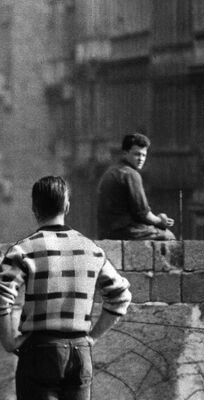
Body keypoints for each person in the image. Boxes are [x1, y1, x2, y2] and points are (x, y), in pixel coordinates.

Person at [0, 176, 132, 400]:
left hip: (39, 351)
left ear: (35, 208)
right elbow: (121, 296)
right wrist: (93, 337)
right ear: (67, 206)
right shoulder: (92, 250)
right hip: (80, 352)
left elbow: (3, 295)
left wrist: (9, 340)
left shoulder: (24, 250)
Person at [96, 132, 176, 240]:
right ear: (125, 153)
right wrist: (160, 221)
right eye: (137, 154)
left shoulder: (111, 171)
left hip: (105, 232)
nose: (141, 159)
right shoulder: (131, 174)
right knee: (169, 236)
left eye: (144, 155)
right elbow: (142, 213)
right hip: (123, 231)